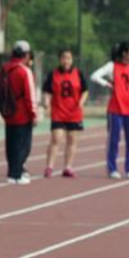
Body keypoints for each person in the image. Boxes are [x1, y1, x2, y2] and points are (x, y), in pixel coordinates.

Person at [91, 41, 129, 179]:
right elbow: (95, 76)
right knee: (114, 140)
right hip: (116, 108)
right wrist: (107, 84)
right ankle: (112, 168)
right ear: (124, 53)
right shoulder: (112, 66)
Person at [0, 41, 38, 185]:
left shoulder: (5, 69)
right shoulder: (24, 71)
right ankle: (18, 173)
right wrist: (34, 114)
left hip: (8, 113)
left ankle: (11, 173)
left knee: (11, 143)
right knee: (23, 145)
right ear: (26, 55)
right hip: (23, 114)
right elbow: (30, 96)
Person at [42, 49, 89, 178]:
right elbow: (47, 90)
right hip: (58, 112)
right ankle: (49, 167)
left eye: (68, 58)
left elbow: (85, 90)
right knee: (56, 138)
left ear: (72, 59)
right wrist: (46, 101)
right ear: (60, 59)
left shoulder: (78, 74)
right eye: (64, 58)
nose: (66, 61)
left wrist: (81, 102)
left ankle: (68, 167)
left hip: (74, 113)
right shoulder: (53, 74)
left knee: (72, 139)